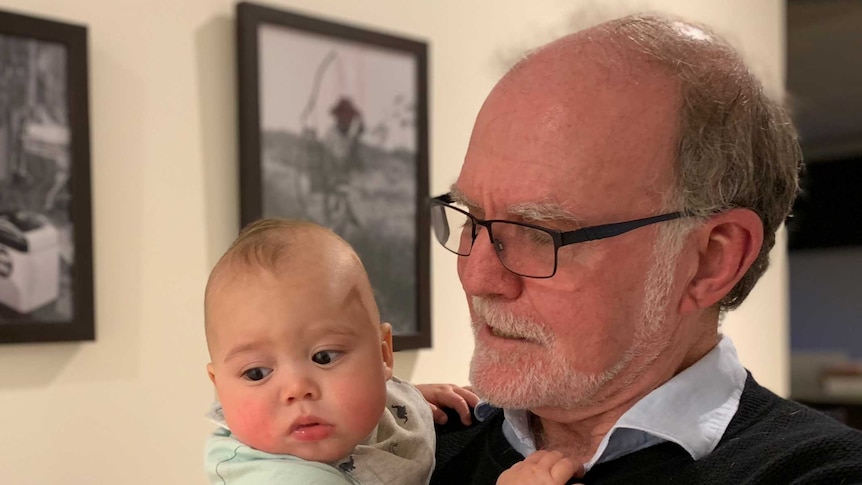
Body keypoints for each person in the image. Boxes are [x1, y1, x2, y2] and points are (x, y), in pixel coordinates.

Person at [429, 14, 862, 485]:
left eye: (538, 232)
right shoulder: (407, 449)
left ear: (711, 262)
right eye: (472, 217)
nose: (477, 276)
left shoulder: (823, 474)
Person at [204, 218, 550, 484]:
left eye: (323, 357)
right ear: (218, 386)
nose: (297, 389)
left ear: (384, 355)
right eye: (257, 373)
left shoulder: (350, 417)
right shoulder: (280, 478)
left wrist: (400, 398)